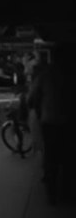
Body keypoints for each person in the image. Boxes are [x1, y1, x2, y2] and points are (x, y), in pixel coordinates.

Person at [27, 44, 76, 205]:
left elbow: (32, 99)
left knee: (51, 157)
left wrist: (40, 110)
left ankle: (52, 194)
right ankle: (67, 193)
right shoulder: (71, 74)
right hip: (69, 122)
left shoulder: (45, 75)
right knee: (68, 158)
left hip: (50, 122)